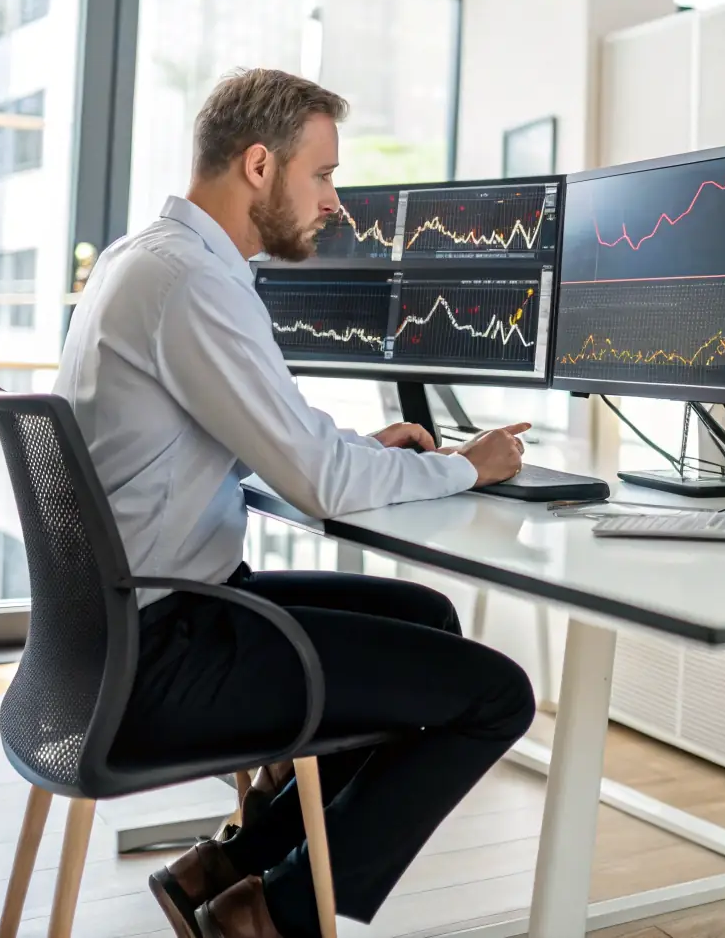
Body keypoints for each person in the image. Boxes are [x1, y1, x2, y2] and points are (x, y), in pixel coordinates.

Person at [55, 68, 536, 938]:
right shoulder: (190, 283)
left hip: (128, 626)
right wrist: (469, 466)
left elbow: (279, 441)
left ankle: (226, 864)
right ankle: (266, 915)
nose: (336, 202)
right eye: (322, 175)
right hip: (160, 655)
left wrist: (357, 451)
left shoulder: (153, 259)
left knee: (428, 614)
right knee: (498, 696)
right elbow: (318, 479)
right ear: (258, 166)